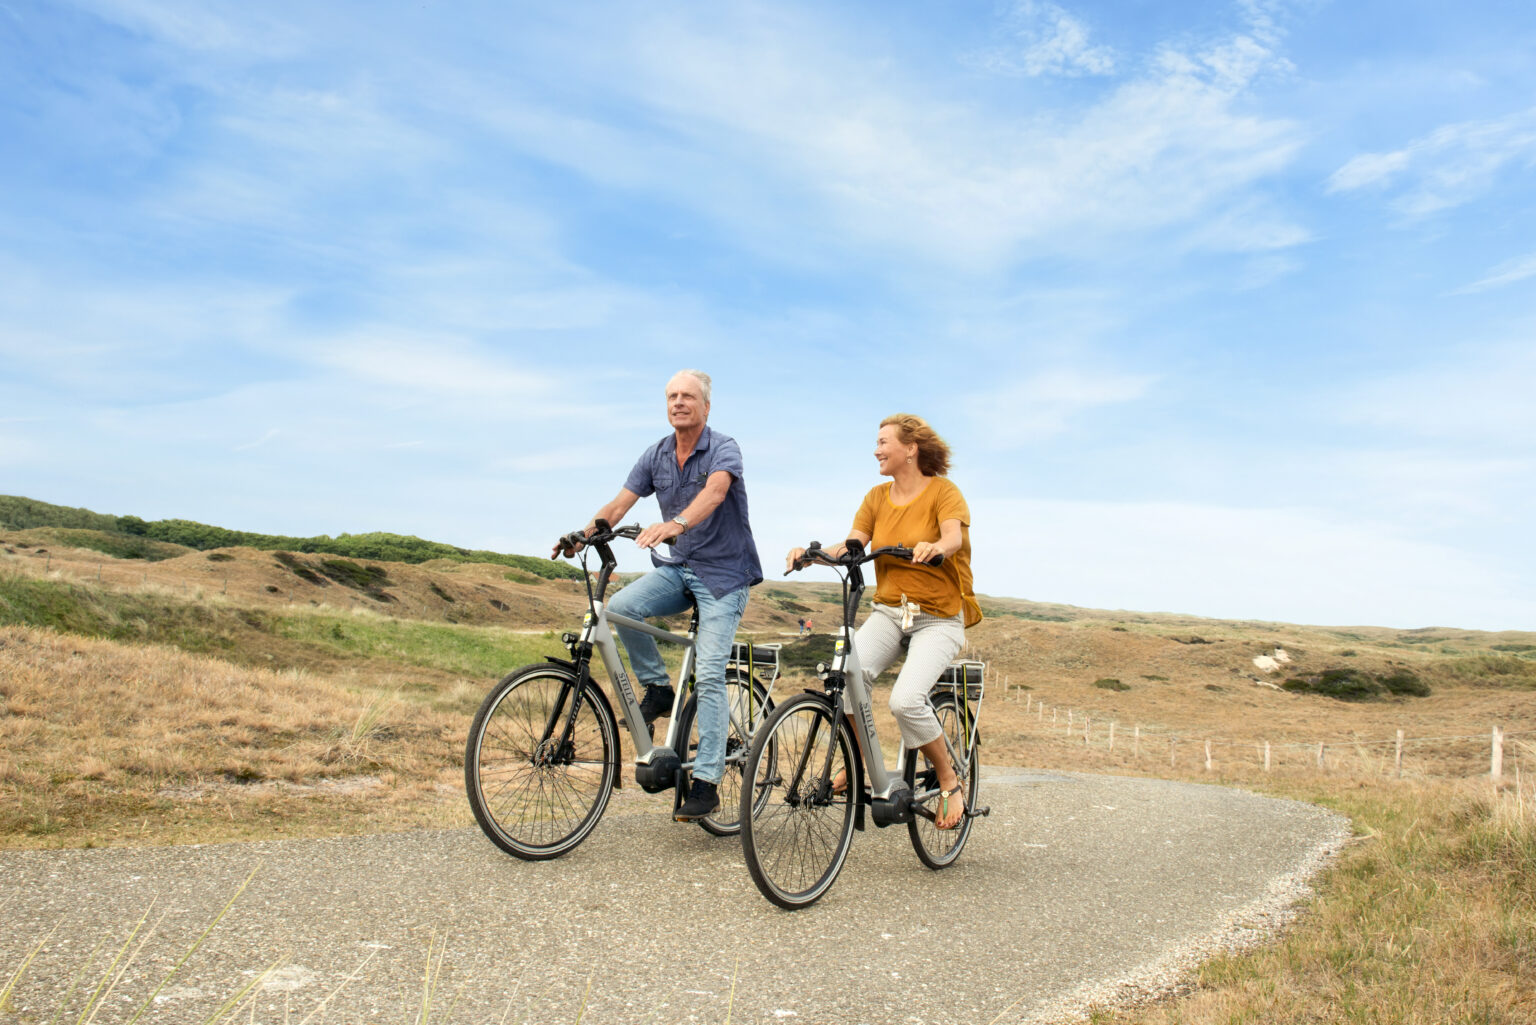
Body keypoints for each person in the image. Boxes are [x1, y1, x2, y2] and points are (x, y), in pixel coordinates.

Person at [560, 370, 763, 821]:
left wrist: (677, 524)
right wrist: (583, 533)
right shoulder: (656, 455)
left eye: (688, 396)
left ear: (705, 406)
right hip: (678, 569)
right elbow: (618, 506)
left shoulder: (724, 448)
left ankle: (707, 782)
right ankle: (658, 688)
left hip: (724, 576)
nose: (678, 402)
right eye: (672, 396)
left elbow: (714, 493)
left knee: (710, 674)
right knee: (621, 607)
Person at [785, 414, 981, 829]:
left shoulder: (944, 492)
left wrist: (935, 546)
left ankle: (949, 780)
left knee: (905, 701)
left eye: (883, 441)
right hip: (891, 612)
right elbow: (854, 543)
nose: (876, 449)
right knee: (844, 675)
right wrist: (812, 554)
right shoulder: (876, 496)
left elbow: (954, 537)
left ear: (910, 449)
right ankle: (860, 765)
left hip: (937, 619)